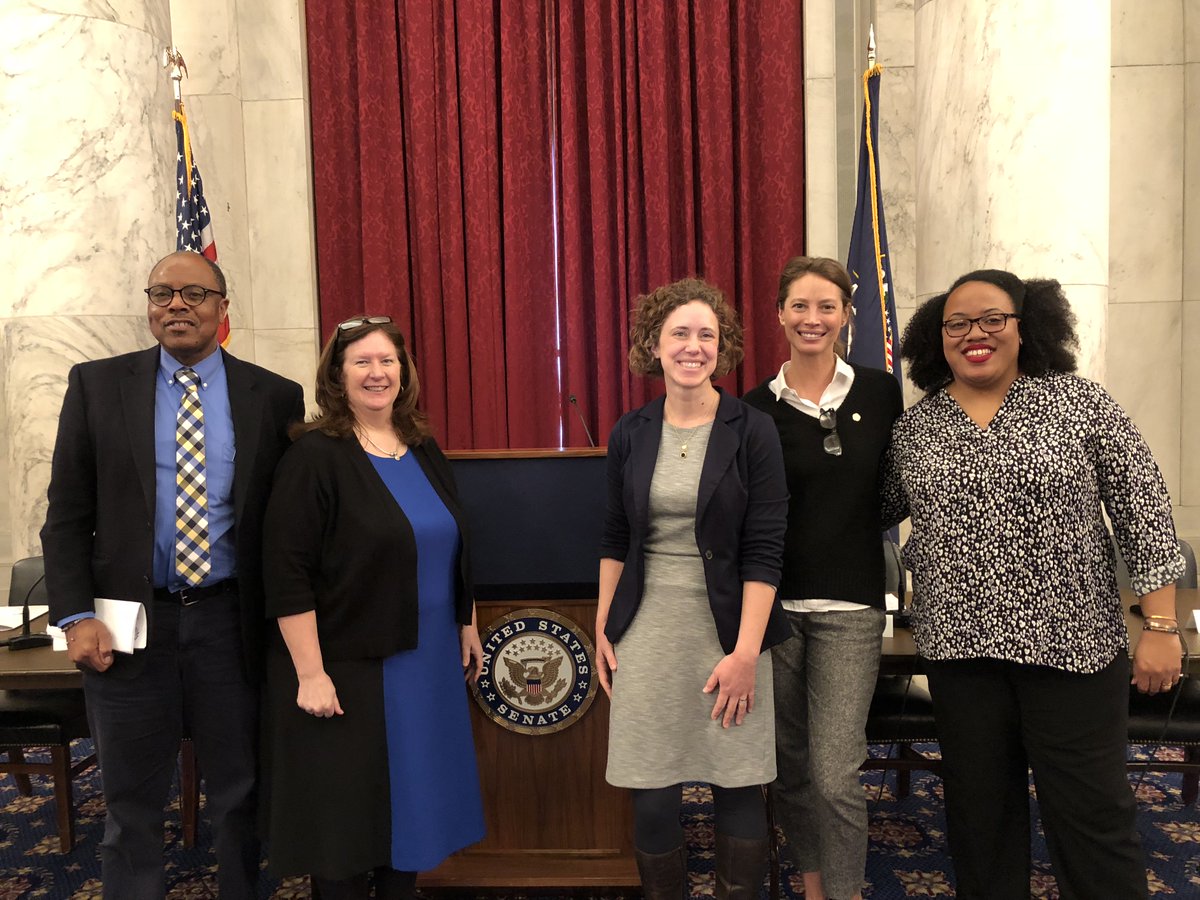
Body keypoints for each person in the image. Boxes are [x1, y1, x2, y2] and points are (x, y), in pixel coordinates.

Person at [881, 269, 1184, 900]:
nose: (975, 335)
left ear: (1027, 326)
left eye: (993, 318)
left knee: (1091, 816)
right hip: (961, 657)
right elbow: (861, 512)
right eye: (957, 324)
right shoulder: (918, 428)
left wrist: (1160, 627)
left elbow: (1145, 512)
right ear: (937, 339)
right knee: (979, 818)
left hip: (1073, 651)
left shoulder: (1081, 405)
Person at [39, 251, 305, 898]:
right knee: (129, 806)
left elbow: (285, 525)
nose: (176, 304)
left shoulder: (272, 396)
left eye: (193, 292)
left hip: (228, 623)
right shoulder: (97, 386)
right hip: (127, 624)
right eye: (163, 293)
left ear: (223, 308)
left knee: (240, 796)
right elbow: (67, 516)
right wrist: (74, 618)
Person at [260, 316, 485, 899]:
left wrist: (467, 621)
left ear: (404, 373)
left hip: (427, 660)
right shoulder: (315, 456)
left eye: (387, 361)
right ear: (337, 374)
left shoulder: (422, 446)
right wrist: (310, 673)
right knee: (346, 827)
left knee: (413, 815)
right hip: (351, 665)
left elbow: (451, 543)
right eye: (361, 361)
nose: (377, 372)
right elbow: (287, 571)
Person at [596, 277, 789, 900]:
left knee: (737, 783)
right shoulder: (631, 430)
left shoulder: (751, 428)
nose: (693, 346)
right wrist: (605, 628)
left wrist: (745, 656)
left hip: (731, 633)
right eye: (679, 333)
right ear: (655, 345)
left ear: (722, 347)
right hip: (647, 633)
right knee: (652, 793)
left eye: (707, 334)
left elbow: (765, 548)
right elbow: (614, 535)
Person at [742, 256, 903, 900]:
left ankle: (843, 891)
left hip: (852, 607)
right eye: (800, 306)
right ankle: (813, 884)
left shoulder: (882, 392)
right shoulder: (753, 409)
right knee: (790, 769)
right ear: (780, 314)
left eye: (827, 306)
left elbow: (897, 491)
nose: (813, 319)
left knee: (836, 774)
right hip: (774, 610)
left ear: (846, 316)